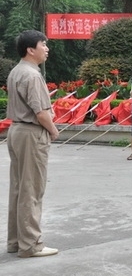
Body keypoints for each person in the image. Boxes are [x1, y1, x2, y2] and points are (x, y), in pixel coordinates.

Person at [6, 30, 60, 258]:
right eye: (43, 44)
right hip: (31, 133)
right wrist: (53, 131)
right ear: (30, 49)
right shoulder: (33, 75)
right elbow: (41, 113)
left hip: (16, 131)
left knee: (19, 188)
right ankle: (31, 244)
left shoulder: (16, 71)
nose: (47, 48)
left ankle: (16, 241)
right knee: (32, 190)